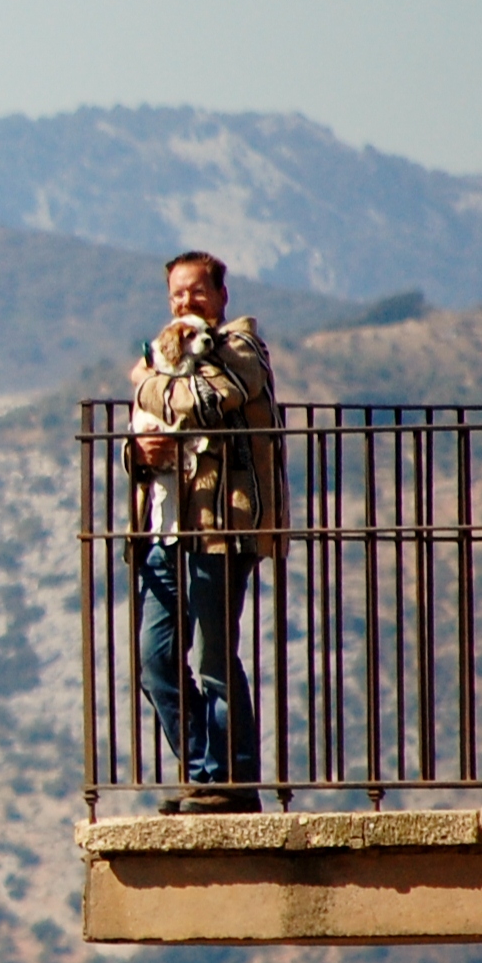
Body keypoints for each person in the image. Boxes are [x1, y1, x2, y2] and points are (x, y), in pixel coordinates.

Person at [127, 251, 286, 814]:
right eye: (177, 295)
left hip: (222, 528)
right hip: (166, 532)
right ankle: (204, 771)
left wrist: (145, 382)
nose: (186, 303)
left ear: (221, 297)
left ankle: (232, 785)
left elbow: (203, 401)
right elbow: (149, 434)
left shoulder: (241, 349)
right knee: (154, 660)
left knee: (216, 659)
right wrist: (139, 451)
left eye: (197, 292)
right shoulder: (163, 354)